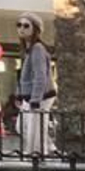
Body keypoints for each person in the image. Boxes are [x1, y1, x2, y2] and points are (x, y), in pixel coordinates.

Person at [13, 14, 53, 155]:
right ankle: (50, 148)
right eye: (19, 25)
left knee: (33, 130)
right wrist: (19, 94)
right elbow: (24, 76)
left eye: (26, 25)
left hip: (40, 97)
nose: (21, 28)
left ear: (35, 29)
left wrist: (35, 99)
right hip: (29, 96)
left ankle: (35, 157)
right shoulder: (27, 49)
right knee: (22, 126)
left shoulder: (37, 48)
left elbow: (40, 76)